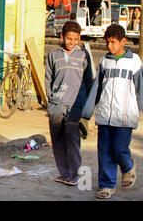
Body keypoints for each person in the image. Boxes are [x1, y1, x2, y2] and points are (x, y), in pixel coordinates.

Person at [81, 24, 143, 199]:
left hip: (125, 116)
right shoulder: (105, 61)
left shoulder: (134, 62)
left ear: (123, 41)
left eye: (113, 42)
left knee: (119, 148)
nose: (110, 46)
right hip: (104, 116)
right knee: (104, 152)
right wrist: (87, 112)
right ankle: (107, 185)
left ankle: (127, 165)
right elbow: (96, 89)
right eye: (108, 42)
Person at [45, 21, 93, 186]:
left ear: (79, 39)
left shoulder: (84, 55)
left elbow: (89, 81)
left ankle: (73, 174)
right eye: (68, 38)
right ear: (62, 37)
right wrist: (50, 100)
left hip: (75, 105)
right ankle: (63, 172)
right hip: (56, 104)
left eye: (75, 39)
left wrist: (86, 105)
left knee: (72, 139)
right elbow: (48, 78)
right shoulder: (54, 54)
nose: (71, 42)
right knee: (57, 139)